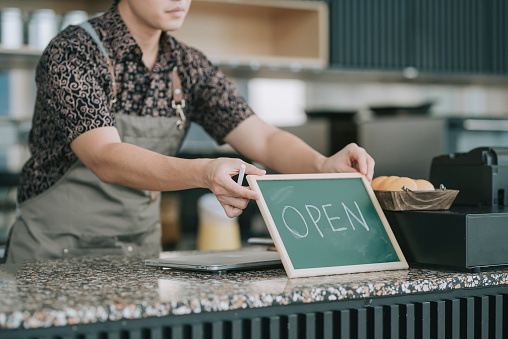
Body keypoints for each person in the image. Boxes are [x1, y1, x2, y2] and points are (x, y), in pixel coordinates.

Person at [3, 0, 374, 264]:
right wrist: (202, 172)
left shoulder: (187, 66)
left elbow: (261, 137)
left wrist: (322, 164)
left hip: (138, 257)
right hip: (52, 257)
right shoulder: (74, 52)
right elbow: (105, 157)